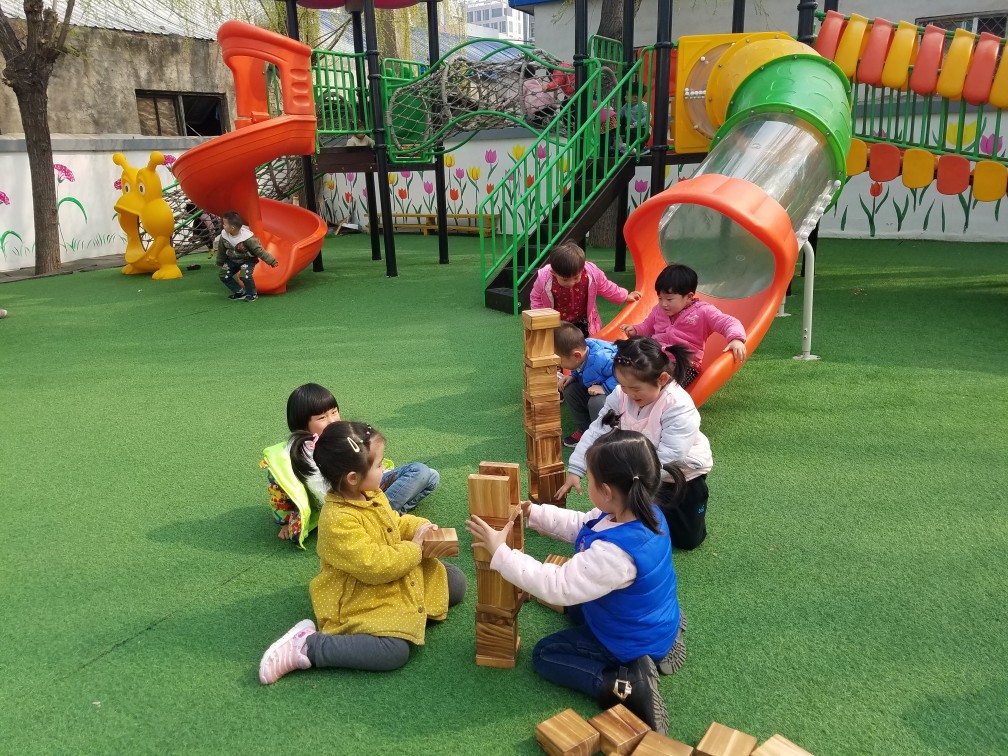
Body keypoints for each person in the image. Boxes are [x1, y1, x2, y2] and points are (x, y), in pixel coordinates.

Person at [466, 429, 687, 733]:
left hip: (627, 639)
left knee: (545, 655)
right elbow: (583, 524)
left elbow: (557, 586)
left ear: (606, 491)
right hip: (649, 617)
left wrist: (501, 554)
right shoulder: (642, 510)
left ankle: (624, 685)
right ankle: (667, 635)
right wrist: (533, 513)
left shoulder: (614, 555)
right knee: (583, 600)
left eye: (590, 479)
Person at [259, 421, 466, 684]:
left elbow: (393, 522)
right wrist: (414, 548)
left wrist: (420, 527)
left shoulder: (370, 493)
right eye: (379, 465)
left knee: (455, 582)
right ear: (353, 477)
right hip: (361, 592)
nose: (384, 469)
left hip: (387, 573)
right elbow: (375, 566)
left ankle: (405, 611)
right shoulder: (337, 519)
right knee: (393, 652)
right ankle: (308, 647)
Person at [558, 337, 713, 551]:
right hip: (642, 471)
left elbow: (672, 455)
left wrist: (633, 479)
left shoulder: (678, 405)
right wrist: (576, 468)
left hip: (682, 475)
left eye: (635, 388)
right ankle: (646, 504)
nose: (629, 394)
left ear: (662, 379)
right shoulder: (621, 394)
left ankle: (680, 509)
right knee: (639, 526)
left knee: (686, 540)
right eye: (622, 385)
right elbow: (597, 429)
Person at [262, 383, 440, 548]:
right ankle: (379, 517)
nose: (332, 420)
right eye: (322, 417)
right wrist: (285, 521)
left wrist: (377, 470)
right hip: (350, 495)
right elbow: (322, 492)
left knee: (431, 477)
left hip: (362, 483)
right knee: (420, 471)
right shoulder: (307, 451)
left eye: (334, 412)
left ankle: (385, 514)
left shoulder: (334, 436)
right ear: (302, 424)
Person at [620, 264, 746, 387]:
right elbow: (647, 327)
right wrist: (635, 330)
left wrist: (736, 339)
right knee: (630, 368)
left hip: (684, 365)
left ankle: (659, 395)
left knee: (663, 383)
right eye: (660, 298)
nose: (663, 304)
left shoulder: (703, 311)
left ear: (689, 297)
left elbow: (728, 322)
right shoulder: (658, 310)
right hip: (656, 359)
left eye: (669, 299)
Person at [530, 241, 641, 337]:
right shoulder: (544, 279)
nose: (571, 283)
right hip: (558, 322)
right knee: (560, 346)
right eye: (565, 280)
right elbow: (536, 297)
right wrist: (540, 318)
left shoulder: (591, 274)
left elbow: (606, 286)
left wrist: (624, 296)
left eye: (576, 277)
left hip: (583, 319)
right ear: (553, 273)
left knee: (586, 345)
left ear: (582, 269)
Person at [555, 321, 618, 448]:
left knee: (596, 402)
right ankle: (585, 430)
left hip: (616, 396)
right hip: (594, 389)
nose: (558, 364)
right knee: (570, 390)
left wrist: (605, 388)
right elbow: (580, 367)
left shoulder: (602, 358)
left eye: (560, 361)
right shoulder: (581, 352)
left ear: (576, 355)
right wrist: (573, 376)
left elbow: (624, 374)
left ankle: (603, 438)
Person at [215, 210, 278, 302]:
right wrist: (220, 262)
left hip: (247, 260)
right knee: (223, 275)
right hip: (232, 259)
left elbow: (259, 250)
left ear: (232, 228)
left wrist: (271, 261)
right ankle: (240, 292)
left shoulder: (247, 238)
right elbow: (221, 250)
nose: (223, 226)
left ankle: (252, 294)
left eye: (224, 224)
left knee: (245, 276)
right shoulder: (224, 236)